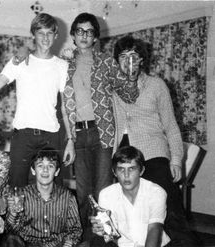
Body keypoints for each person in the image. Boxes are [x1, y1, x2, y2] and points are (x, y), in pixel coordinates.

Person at [112, 36, 200, 246]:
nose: (128, 61)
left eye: (133, 56)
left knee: (169, 210)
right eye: (123, 57)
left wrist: (176, 159)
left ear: (142, 59)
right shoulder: (112, 88)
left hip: (153, 153)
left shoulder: (156, 85)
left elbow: (171, 125)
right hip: (123, 156)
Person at [0, 13, 75, 188]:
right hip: (22, 136)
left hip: (52, 137)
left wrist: (70, 140)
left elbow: (66, 109)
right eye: (41, 33)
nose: (45, 38)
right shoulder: (20, 61)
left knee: (54, 191)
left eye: (49, 33)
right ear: (33, 35)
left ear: (56, 35)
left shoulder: (63, 66)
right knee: (16, 189)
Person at [61, 12, 132, 239]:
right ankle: (85, 238)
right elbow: (63, 103)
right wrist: (69, 139)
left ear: (95, 37)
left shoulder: (106, 63)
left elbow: (128, 94)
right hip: (78, 134)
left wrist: (128, 72)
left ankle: (104, 239)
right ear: (73, 34)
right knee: (83, 192)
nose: (84, 35)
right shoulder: (65, 65)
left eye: (89, 32)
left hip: (103, 132)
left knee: (103, 190)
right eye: (79, 31)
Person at [90, 146, 170, 247]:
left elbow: (154, 228)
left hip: (153, 244)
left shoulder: (156, 192)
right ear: (114, 172)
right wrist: (103, 231)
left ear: (141, 171)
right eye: (121, 169)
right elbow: (112, 238)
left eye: (131, 169)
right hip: (123, 245)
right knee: (97, 241)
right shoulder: (106, 194)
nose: (126, 175)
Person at [3, 147, 82, 247]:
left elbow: (75, 229)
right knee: (11, 240)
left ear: (57, 172)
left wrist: (69, 242)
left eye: (50, 166)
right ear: (33, 170)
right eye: (40, 166)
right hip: (29, 244)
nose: (45, 170)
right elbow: (10, 230)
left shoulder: (68, 197)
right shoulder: (22, 195)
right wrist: (13, 213)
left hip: (57, 244)